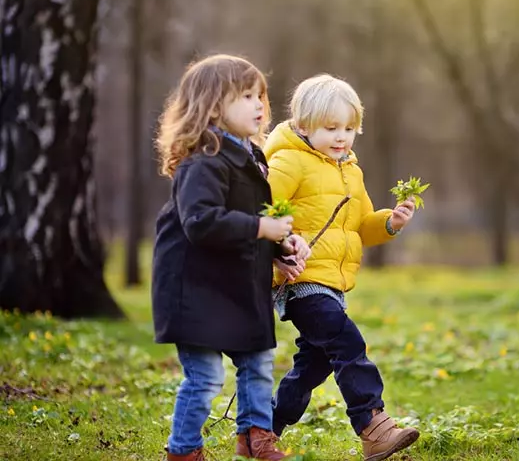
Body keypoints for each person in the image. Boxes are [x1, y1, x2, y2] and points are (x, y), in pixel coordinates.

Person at [152, 54, 310, 461]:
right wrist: (261, 230)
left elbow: (260, 219)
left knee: (257, 362)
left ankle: (255, 434)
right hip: (196, 288)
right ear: (212, 105)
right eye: (246, 96)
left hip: (240, 283)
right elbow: (201, 222)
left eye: (262, 95)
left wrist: (281, 247)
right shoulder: (202, 161)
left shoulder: (253, 158)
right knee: (204, 377)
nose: (260, 105)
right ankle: (184, 450)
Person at [265, 74, 419, 461]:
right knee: (347, 342)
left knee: (313, 364)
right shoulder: (288, 162)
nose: (341, 137)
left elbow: (361, 224)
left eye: (349, 128)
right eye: (331, 128)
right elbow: (263, 210)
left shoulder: (350, 170)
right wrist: (283, 246)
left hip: (332, 285)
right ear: (303, 126)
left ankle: (263, 427)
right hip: (300, 280)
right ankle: (373, 426)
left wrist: (390, 222)